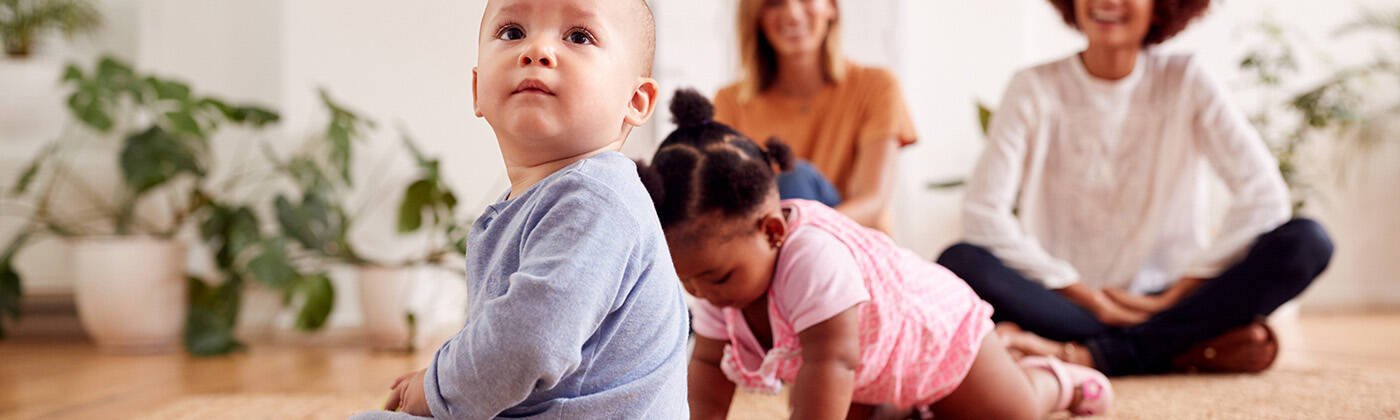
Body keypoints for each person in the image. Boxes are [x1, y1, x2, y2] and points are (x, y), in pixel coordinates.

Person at [642, 89, 1113, 420]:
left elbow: (829, 365)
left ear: (772, 232)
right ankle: (904, 405)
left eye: (716, 279)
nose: (703, 293)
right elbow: (707, 369)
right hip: (869, 366)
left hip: (934, 335)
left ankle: (1054, 379)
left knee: (1010, 413)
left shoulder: (813, 259)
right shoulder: (712, 273)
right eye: (688, 283)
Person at [937, 0, 1333, 377]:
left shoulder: (1187, 79)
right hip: (1066, 302)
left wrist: (1171, 296)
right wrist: (1086, 295)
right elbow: (982, 214)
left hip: (1167, 300)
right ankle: (1180, 348)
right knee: (960, 261)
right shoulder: (1033, 87)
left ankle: (1092, 353)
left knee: (1307, 242)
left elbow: (1264, 195)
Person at [349, 0, 689, 418]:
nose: (537, 51)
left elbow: (529, 339)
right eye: (512, 33)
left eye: (578, 36)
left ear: (635, 100)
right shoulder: (549, 199)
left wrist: (437, 388)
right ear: (477, 92)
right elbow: (508, 335)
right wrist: (442, 378)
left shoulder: (595, 200)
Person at [713, 0, 917, 232]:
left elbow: (872, 202)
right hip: (771, 248)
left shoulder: (876, 86)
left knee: (796, 180)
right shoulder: (730, 102)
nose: (792, 14)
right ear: (756, 17)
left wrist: (794, 230)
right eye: (774, 3)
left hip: (849, 246)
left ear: (831, 6)